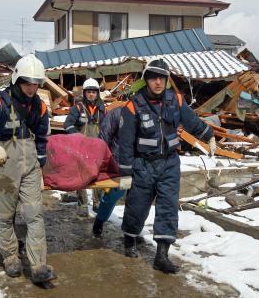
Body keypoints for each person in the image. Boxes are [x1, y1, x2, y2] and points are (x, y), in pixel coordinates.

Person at [118, 59, 216, 274]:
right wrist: (125, 172)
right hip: (143, 165)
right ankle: (130, 239)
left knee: (168, 208)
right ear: (147, 80)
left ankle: (161, 256)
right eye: (153, 78)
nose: (158, 82)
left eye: (162, 78)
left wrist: (209, 135)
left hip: (170, 163)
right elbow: (125, 142)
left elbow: (192, 122)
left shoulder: (176, 100)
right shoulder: (134, 105)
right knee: (137, 206)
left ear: (166, 80)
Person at [0, 54, 55, 286]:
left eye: (35, 83)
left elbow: (41, 135)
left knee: (34, 215)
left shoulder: (38, 105)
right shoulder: (0, 102)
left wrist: (40, 164)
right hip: (3, 167)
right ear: (17, 80)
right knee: (4, 217)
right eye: (27, 83)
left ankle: (38, 265)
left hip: (29, 168)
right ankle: (10, 258)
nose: (31, 88)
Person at [64, 78, 106, 216]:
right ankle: (82, 204)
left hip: (96, 148)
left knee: (97, 175)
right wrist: (76, 136)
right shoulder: (78, 107)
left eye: (94, 92)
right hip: (81, 147)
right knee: (80, 176)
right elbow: (68, 124)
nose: (91, 95)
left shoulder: (102, 108)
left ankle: (97, 202)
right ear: (85, 93)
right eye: (89, 92)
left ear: (97, 93)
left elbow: (106, 127)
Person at [92, 106, 125, 237]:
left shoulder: (153, 113)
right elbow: (104, 137)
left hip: (141, 165)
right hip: (120, 165)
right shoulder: (118, 113)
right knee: (114, 194)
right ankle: (100, 220)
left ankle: (131, 233)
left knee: (137, 200)